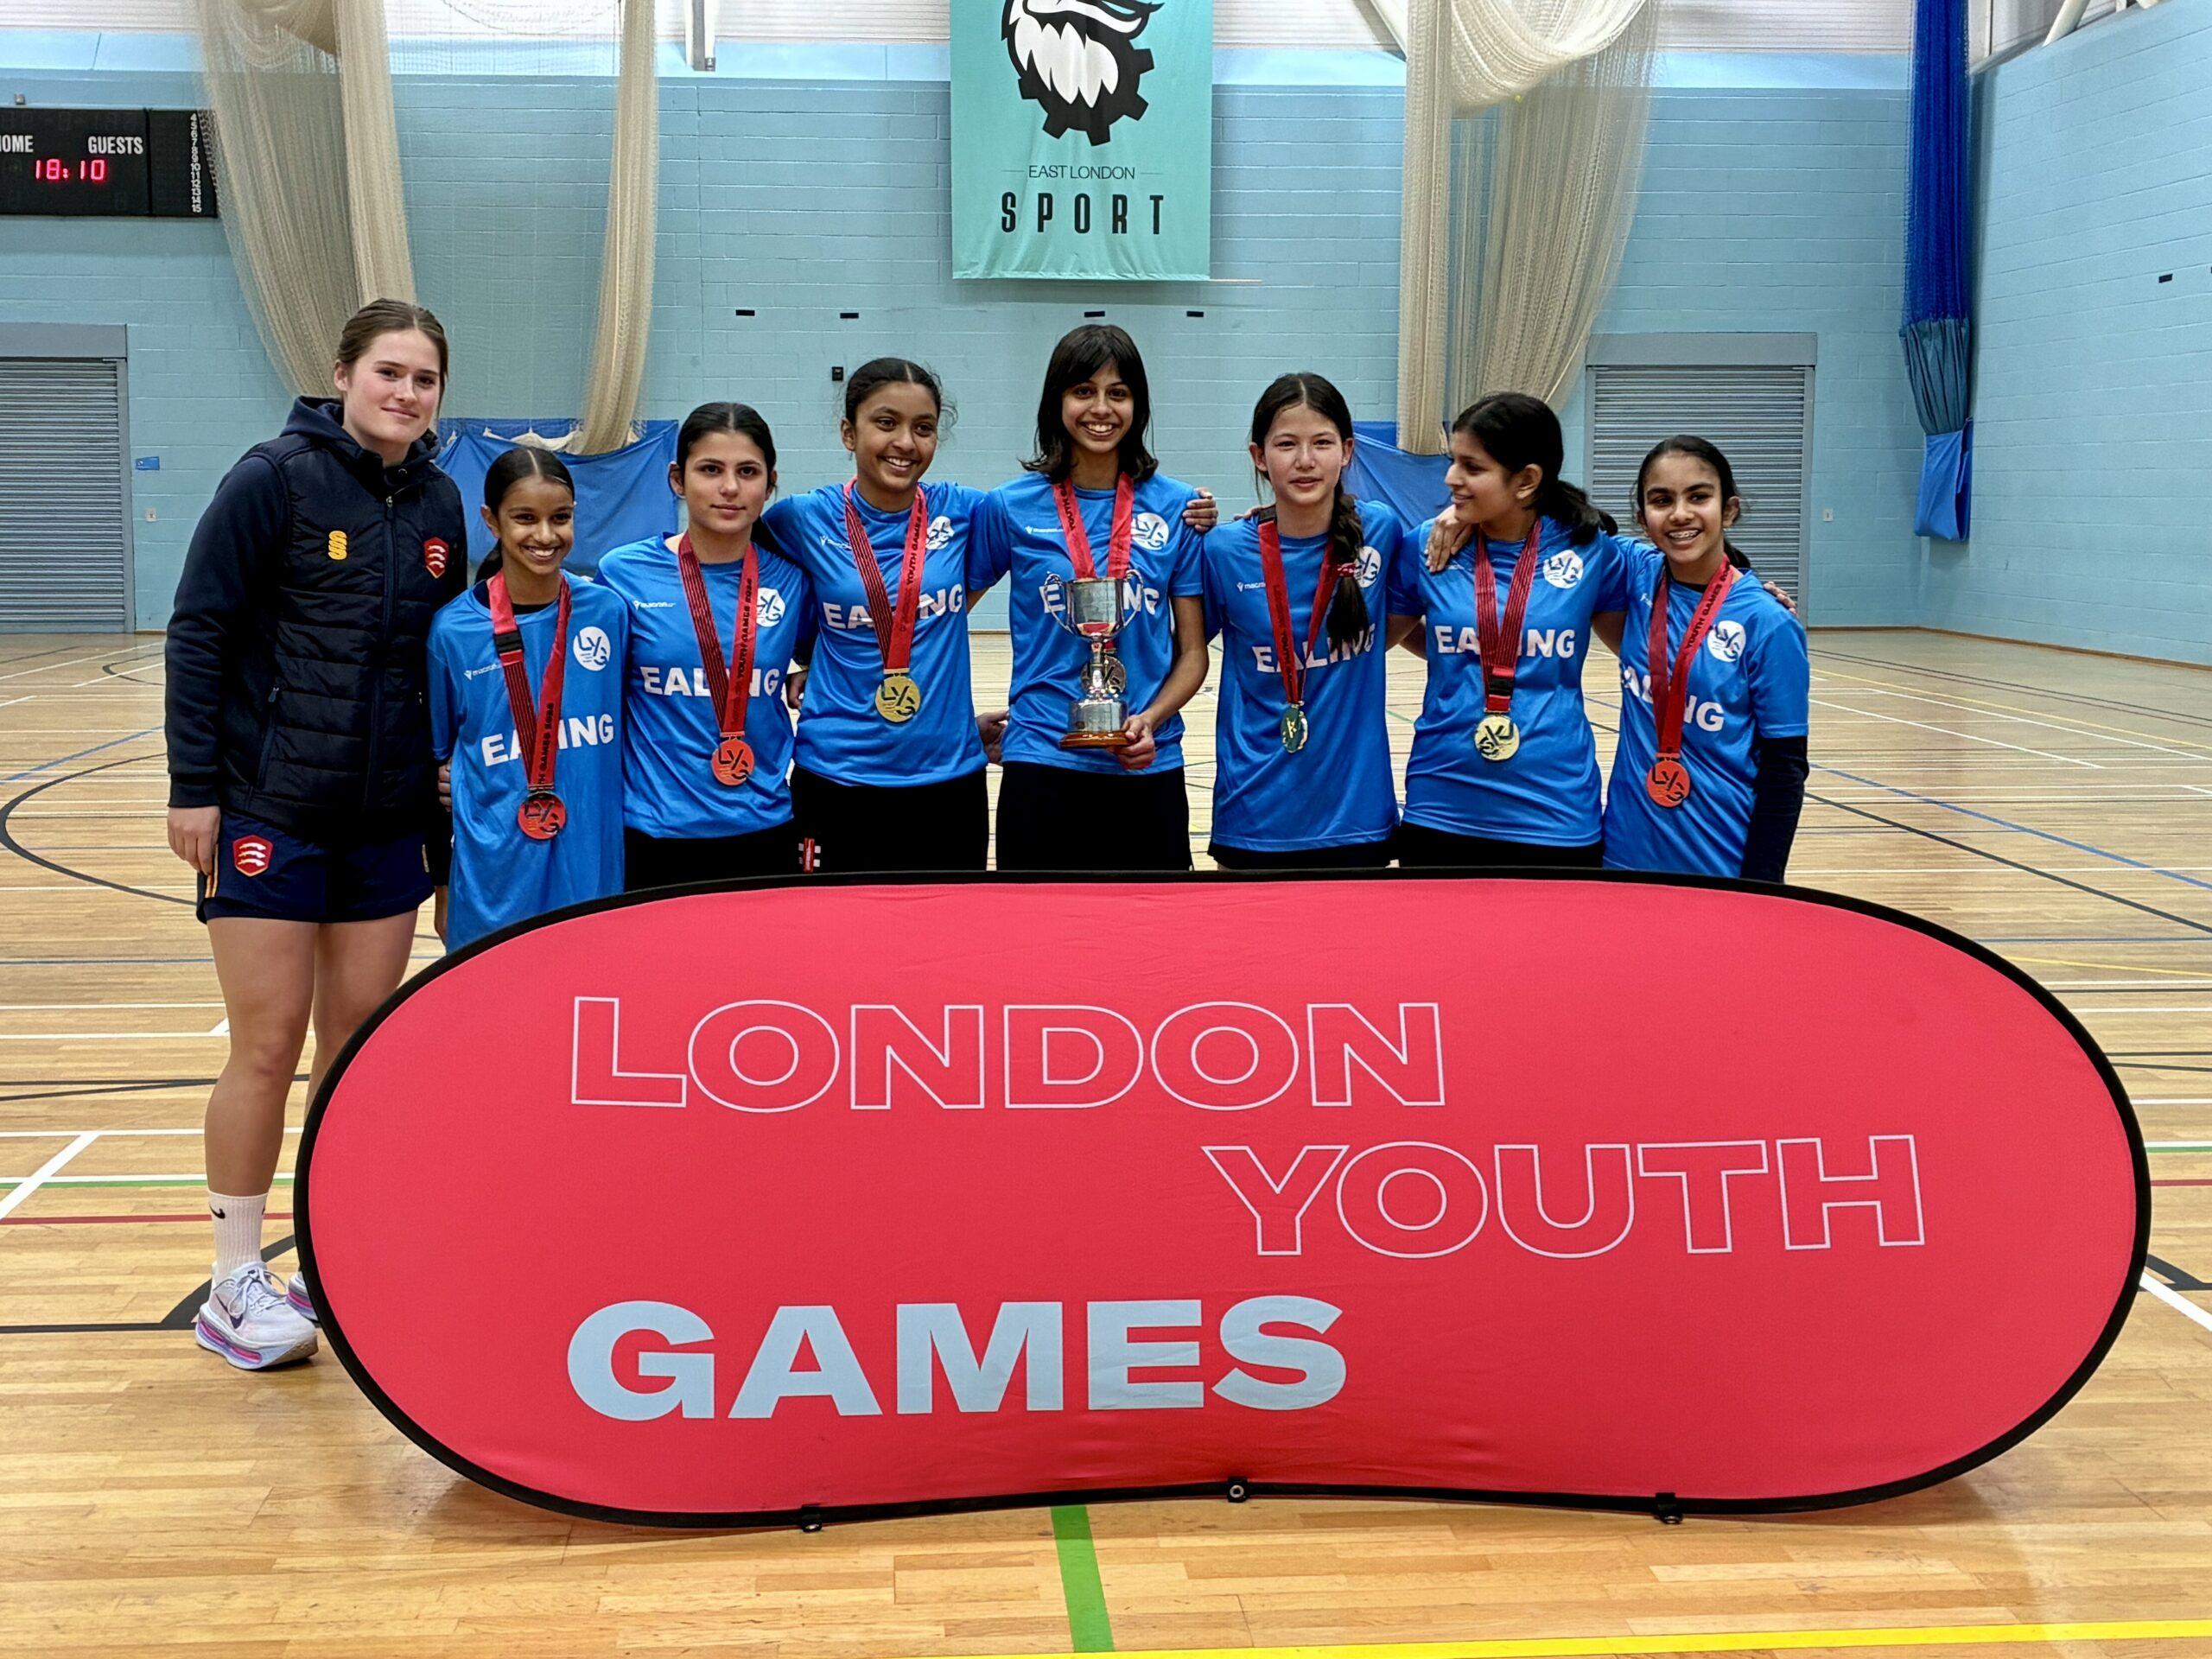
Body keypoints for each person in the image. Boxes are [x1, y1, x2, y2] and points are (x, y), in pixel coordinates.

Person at [164, 299, 464, 1369]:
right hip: (270, 813)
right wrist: (195, 788)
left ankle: (327, 1253)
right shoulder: (272, 479)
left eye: (424, 379)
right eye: (389, 372)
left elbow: (442, 655)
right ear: (342, 374)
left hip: (384, 822)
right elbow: (199, 631)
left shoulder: (438, 499)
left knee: (352, 1048)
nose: (406, 393)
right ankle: (231, 1281)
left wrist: (443, 801)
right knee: (267, 1045)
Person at [974, 325, 1212, 871]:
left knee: (1154, 924)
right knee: (1038, 923)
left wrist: (1151, 719)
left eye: (1118, 393)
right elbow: (942, 613)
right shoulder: (1009, 507)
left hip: (1146, 759)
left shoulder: (1179, 507)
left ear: (1138, 405)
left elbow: (1193, 653)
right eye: (1083, 391)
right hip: (1041, 757)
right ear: (1056, 401)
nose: (1101, 409)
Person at [760, 359, 998, 873]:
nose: (906, 443)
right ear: (849, 433)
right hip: (837, 778)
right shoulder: (799, 519)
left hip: (949, 780)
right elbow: (742, 578)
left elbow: (1054, 518)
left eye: (923, 428)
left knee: (952, 924)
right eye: (886, 423)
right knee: (833, 924)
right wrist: (803, 657)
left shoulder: (966, 511)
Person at [1389, 392, 1632, 869]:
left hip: (1556, 813)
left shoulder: (1593, 551)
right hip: (1441, 806)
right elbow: (1374, 639)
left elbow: (1656, 633)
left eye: (1471, 467)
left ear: (1526, 481)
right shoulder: (1428, 546)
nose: (1450, 478)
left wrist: (1756, 595)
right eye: (1453, 461)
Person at [1202, 373, 1417, 869]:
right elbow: (1181, 654)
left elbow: (1407, 617)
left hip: (1357, 817)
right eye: (1286, 445)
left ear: (1347, 452)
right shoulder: (1223, 551)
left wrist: (1454, 518)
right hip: (1253, 817)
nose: (1305, 460)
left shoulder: (1381, 532)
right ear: (1259, 456)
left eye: (1321, 443)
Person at [595, 404, 813, 887]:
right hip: (654, 833)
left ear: (770, 483)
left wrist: (810, 670)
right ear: (678, 478)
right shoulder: (623, 574)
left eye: (748, 472)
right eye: (711, 470)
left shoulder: (792, 580)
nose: (730, 488)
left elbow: (836, 652)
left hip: (763, 825)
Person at [429, 448, 628, 944]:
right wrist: (443, 886)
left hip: (592, 873)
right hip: (493, 878)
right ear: (491, 521)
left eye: (560, 518)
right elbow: (436, 764)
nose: (545, 535)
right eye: (524, 518)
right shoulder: (454, 630)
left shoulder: (607, 612)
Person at [1601, 436, 1810, 881]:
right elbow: (1564, 522)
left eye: (1698, 496)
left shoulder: (1768, 622)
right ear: (1642, 519)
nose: (1680, 514)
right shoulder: (1636, 573)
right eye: (1662, 500)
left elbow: (1786, 768)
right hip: (1623, 855)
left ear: (1729, 510)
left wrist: (1762, 881)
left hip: (1719, 864)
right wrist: (1456, 516)